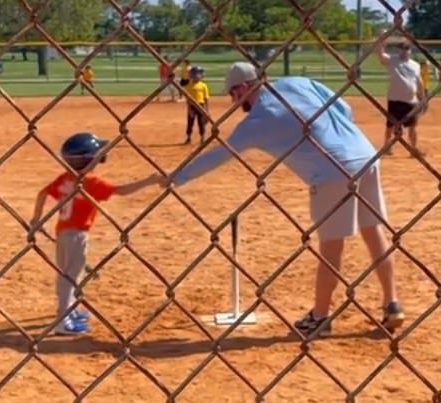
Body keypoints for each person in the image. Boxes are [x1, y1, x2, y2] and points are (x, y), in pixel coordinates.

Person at [163, 62, 405, 337]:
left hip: (331, 170)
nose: (233, 100)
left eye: (233, 93)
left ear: (243, 88)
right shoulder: (297, 82)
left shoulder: (256, 120)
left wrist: (177, 177)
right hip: (366, 156)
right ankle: (392, 303)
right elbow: (344, 108)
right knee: (374, 232)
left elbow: (218, 156)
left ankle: (320, 317)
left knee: (331, 247)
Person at [30, 132, 160, 335]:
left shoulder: (66, 178)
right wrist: (149, 181)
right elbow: (122, 191)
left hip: (63, 232)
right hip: (77, 234)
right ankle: (63, 321)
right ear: (89, 158)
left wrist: (35, 219)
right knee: (70, 276)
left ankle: (69, 311)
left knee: (69, 274)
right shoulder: (90, 182)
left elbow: (42, 193)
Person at [376, 39, 425, 157]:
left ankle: (413, 149)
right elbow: (380, 55)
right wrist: (381, 42)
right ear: (398, 50)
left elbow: (419, 81)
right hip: (394, 99)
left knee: (412, 126)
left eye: (406, 49)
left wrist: (422, 97)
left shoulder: (415, 65)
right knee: (390, 125)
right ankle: (387, 147)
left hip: (410, 101)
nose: (403, 52)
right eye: (401, 49)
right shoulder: (392, 60)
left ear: (410, 51)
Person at [183, 66, 210, 144]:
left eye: (199, 74)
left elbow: (206, 99)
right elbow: (188, 99)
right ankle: (188, 137)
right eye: (197, 74)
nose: (198, 76)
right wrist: (189, 109)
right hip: (192, 106)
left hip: (201, 106)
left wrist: (206, 110)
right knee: (190, 122)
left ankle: (202, 137)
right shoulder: (189, 86)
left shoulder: (203, 85)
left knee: (201, 122)